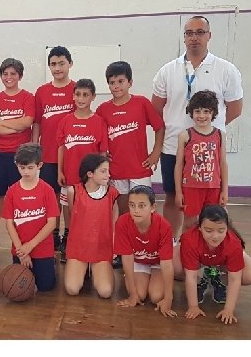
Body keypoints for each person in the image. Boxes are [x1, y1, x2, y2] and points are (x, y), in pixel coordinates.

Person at [151, 16, 243, 238]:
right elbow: (155, 110)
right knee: (173, 197)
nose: (195, 37)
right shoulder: (167, 70)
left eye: (200, 32)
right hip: (173, 147)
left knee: (210, 201)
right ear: (184, 37)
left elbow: (235, 108)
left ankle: (206, 245)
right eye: (189, 33)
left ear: (209, 36)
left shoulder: (226, 70)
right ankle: (172, 245)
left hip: (208, 152)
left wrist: (205, 134)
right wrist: (161, 145)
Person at [96, 60, 165, 268]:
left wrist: (155, 153)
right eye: (112, 82)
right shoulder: (103, 110)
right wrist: (102, 156)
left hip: (139, 169)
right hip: (116, 171)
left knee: (144, 210)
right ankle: (125, 249)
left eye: (120, 81)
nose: (116, 86)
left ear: (130, 82)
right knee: (124, 212)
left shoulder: (141, 103)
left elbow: (159, 127)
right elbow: (97, 136)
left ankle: (150, 248)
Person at [0, 58, 35, 250]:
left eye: (13, 73)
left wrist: (1, 123)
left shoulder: (28, 97)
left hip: (20, 156)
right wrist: (15, 126)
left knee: (21, 195)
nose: (9, 77)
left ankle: (22, 234)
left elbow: (27, 122)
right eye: (5, 74)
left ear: (20, 76)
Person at [174, 204, 251, 324]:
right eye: (209, 231)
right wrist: (193, 306)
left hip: (222, 264)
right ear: (199, 228)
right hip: (201, 262)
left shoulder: (233, 243)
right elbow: (190, 276)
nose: (215, 236)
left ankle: (218, 280)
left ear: (227, 228)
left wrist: (229, 309)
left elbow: (235, 279)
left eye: (221, 231)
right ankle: (202, 278)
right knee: (173, 262)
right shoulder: (190, 239)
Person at [56, 78, 109, 253]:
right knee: (68, 207)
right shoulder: (65, 121)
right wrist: (59, 171)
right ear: (73, 96)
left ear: (93, 97)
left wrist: (102, 175)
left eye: (85, 95)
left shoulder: (99, 121)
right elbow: (61, 148)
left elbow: (102, 153)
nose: (81, 98)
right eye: (78, 94)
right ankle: (69, 235)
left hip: (91, 179)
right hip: (70, 174)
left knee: (90, 209)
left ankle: (89, 240)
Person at [32, 46, 75, 252]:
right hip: (47, 153)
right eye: (53, 64)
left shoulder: (77, 90)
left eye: (61, 63)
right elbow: (37, 122)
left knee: (67, 197)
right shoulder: (42, 91)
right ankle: (54, 233)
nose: (57, 68)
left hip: (71, 155)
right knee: (52, 197)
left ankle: (69, 234)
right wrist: (34, 147)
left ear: (70, 64)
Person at [2, 143, 59, 292]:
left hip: (42, 249)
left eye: (30, 167)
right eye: (22, 167)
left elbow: (51, 223)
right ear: (16, 165)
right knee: (18, 286)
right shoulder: (12, 192)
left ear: (39, 165)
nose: (26, 171)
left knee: (46, 287)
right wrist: (21, 251)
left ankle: (50, 264)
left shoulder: (47, 190)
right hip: (20, 250)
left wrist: (30, 245)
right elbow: (9, 224)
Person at [113, 185, 176, 316]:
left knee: (156, 297)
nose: (136, 210)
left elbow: (166, 263)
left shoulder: (164, 226)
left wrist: (168, 298)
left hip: (158, 262)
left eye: (142, 206)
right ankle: (142, 282)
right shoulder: (122, 223)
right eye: (132, 205)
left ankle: (160, 280)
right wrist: (132, 294)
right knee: (139, 295)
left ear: (153, 207)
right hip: (138, 261)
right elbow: (127, 259)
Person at [64, 153, 119, 298]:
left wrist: (113, 247)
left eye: (108, 171)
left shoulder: (112, 193)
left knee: (105, 292)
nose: (108, 175)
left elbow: (114, 222)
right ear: (90, 174)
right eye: (103, 171)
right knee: (72, 289)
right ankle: (83, 269)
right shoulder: (73, 191)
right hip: (79, 248)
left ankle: (96, 270)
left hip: (101, 248)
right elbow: (73, 217)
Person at [174, 90, 228, 234]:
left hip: (213, 187)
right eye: (197, 111)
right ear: (191, 112)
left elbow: (223, 163)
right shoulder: (185, 135)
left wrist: (224, 190)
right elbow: (179, 165)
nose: (201, 115)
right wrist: (179, 192)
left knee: (213, 222)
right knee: (189, 223)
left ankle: (207, 247)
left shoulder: (220, 135)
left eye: (206, 111)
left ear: (213, 113)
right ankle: (185, 246)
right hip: (191, 187)